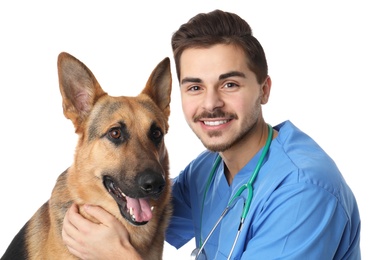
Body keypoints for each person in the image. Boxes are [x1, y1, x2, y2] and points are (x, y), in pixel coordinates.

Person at [62, 9, 361, 259]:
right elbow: (142, 208)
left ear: (264, 90)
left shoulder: (303, 193)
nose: (211, 104)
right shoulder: (208, 170)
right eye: (195, 87)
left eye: (229, 84)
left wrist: (119, 255)